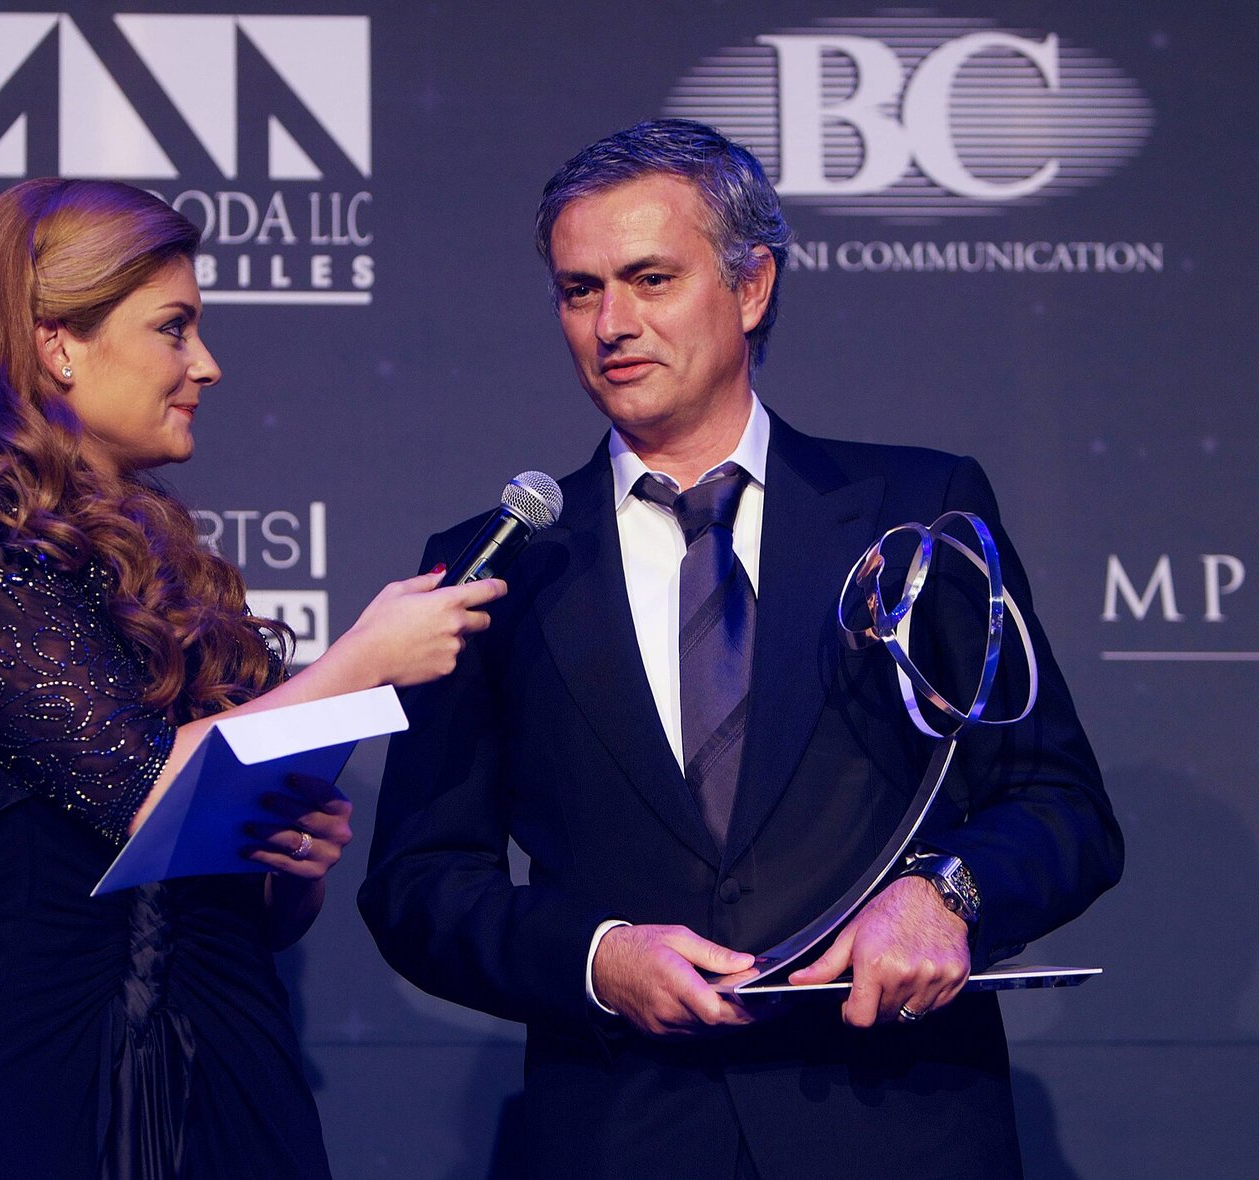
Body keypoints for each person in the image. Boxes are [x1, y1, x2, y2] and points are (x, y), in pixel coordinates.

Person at [359, 120, 1123, 1178]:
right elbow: (418, 885)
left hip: (896, 1124)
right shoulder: (494, 562)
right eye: (580, 291)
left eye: (649, 278)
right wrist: (596, 957)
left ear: (751, 286)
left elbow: (1058, 805)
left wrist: (947, 893)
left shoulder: (916, 507)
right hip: (621, 1132)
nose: (612, 324)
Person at [0, 177, 504, 1179]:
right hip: (54, 1081)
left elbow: (238, 901)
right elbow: (144, 784)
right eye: (174, 328)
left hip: (232, 1064)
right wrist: (357, 663)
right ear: (56, 341)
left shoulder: (177, 569)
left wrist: (287, 861)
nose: (204, 364)